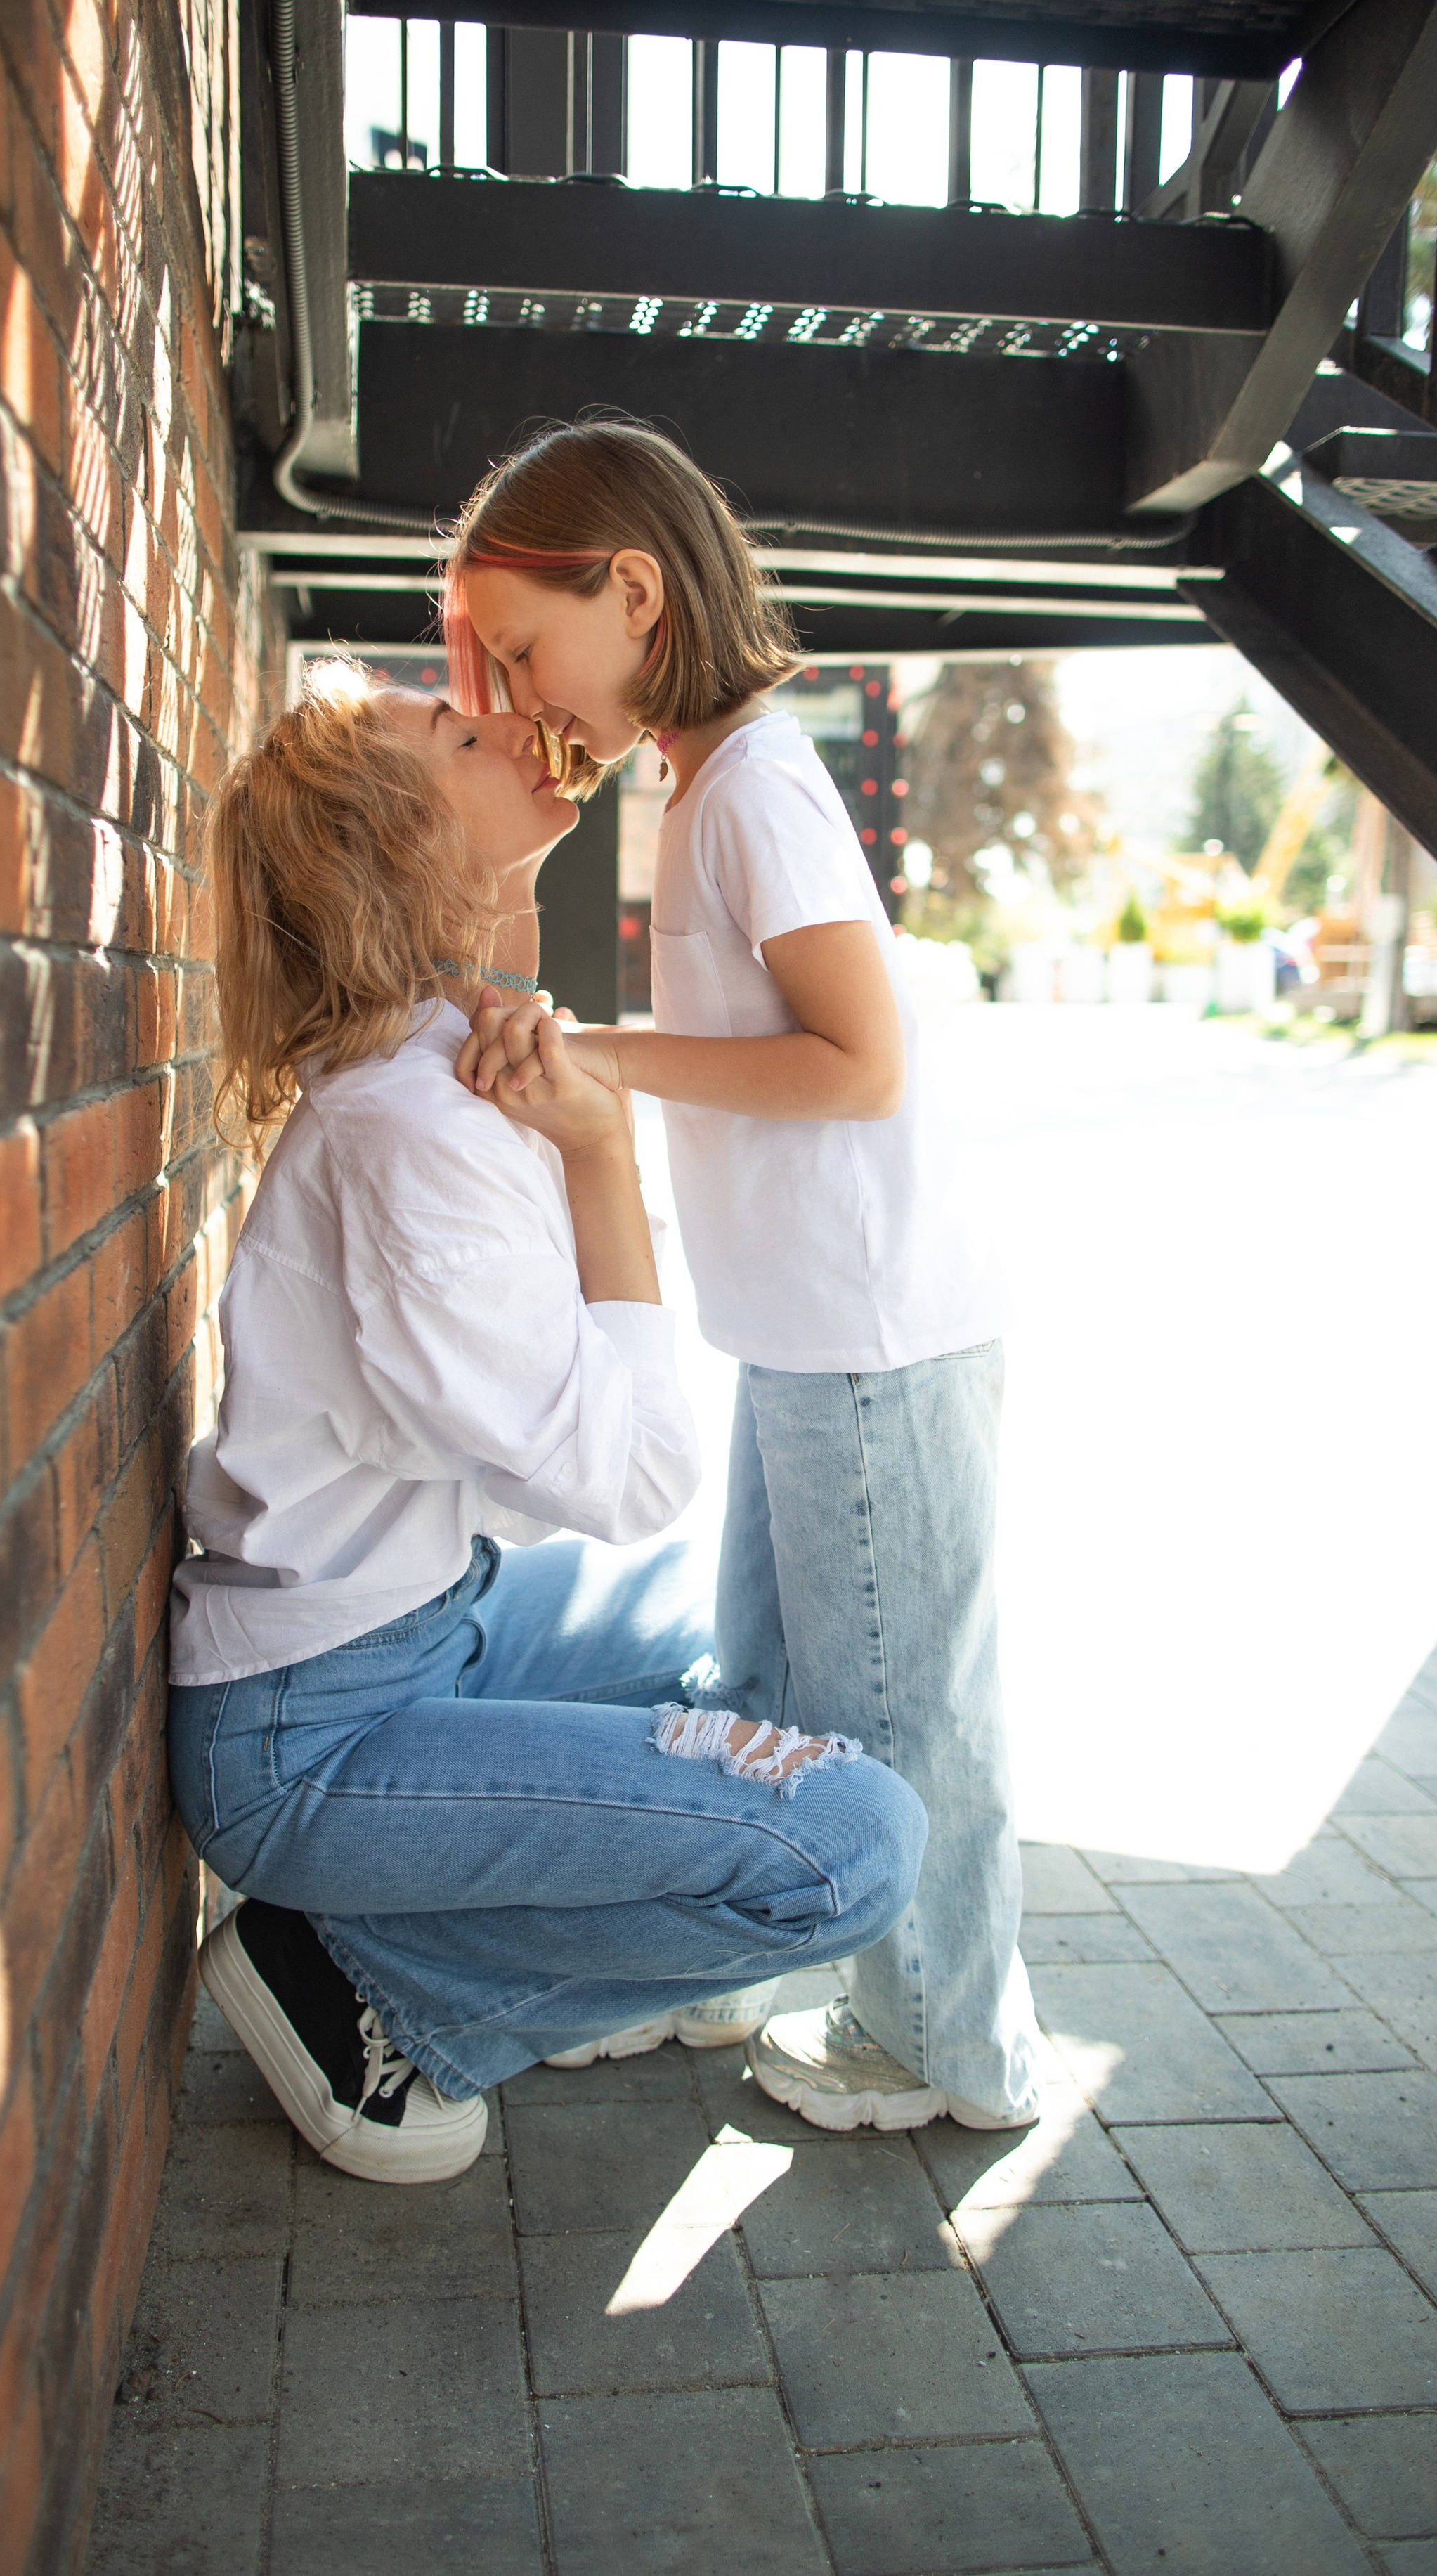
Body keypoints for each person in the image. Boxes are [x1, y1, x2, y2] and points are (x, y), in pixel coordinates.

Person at [167, 659, 926, 2184]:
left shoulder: (442, 1057)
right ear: (400, 849)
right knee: (853, 1843)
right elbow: (634, 1472)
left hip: (422, 1624)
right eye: (459, 728)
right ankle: (385, 1998)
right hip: (315, 1737)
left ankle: (493, 1911)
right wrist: (598, 1151)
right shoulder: (416, 1142)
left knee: (746, 1644)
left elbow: (532, 1481)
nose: (511, 721)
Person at [450, 418, 1041, 2134]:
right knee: (772, 1693)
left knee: (890, 1713)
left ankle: (949, 2049)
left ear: (630, 590)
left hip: (872, 1334)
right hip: (807, 1330)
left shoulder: (757, 784)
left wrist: (600, 1055)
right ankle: (725, 1961)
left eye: (526, 645)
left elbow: (860, 1061)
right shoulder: (698, 779)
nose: (516, 682)